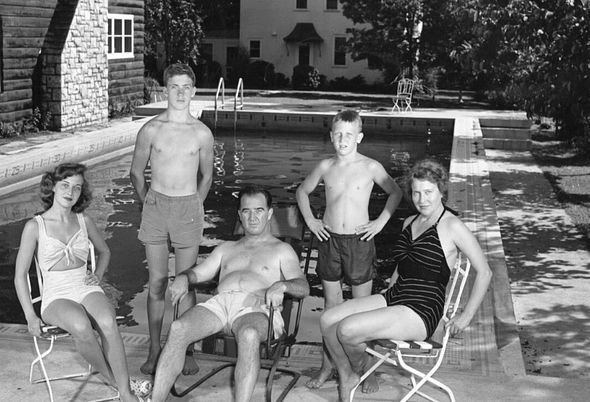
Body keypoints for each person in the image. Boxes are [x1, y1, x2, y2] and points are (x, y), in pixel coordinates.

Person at [319, 159, 493, 402]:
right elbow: (402, 267)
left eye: (428, 192)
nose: (422, 199)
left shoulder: (452, 226)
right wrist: (384, 301)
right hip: (396, 295)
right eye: (416, 192)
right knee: (328, 320)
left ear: (441, 191)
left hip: (422, 309)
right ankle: (347, 373)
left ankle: (357, 371)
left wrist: (465, 317)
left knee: (347, 330)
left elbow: (485, 272)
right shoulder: (409, 222)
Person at [148, 185, 310, 402]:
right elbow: (199, 273)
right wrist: (184, 277)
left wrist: (282, 286)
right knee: (178, 329)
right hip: (220, 305)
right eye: (246, 211)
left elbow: (303, 287)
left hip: (257, 307)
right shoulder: (226, 248)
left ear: (269, 213)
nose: (252, 217)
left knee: (249, 335)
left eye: (259, 210)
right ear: (239, 215)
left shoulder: (282, 250)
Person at [13, 163, 151, 402]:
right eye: (65, 185)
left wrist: (97, 275)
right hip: (56, 295)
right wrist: (30, 316)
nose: (70, 192)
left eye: (77, 187)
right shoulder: (35, 226)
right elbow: (20, 275)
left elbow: (104, 251)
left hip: (85, 286)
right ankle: (119, 384)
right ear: (52, 187)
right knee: (81, 325)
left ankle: (126, 395)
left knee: (108, 322)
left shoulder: (84, 220)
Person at [295, 109, 403, 392]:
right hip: (329, 239)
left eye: (349, 135)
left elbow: (395, 192)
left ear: (359, 137)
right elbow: (302, 192)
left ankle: (367, 368)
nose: (343, 140)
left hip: (359, 242)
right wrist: (311, 220)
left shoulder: (370, 166)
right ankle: (327, 366)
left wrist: (380, 222)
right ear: (331, 136)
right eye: (338, 134)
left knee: (362, 312)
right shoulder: (325, 166)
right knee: (331, 309)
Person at [130, 63, 214, 376]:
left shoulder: (202, 133)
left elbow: (207, 176)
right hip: (156, 205)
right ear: (165, 89)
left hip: (188, 207)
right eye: (174, 87)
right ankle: (154, 350)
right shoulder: (150, 129)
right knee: (156, 282)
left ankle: (185, 349)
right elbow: (136, 173)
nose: (180, 93)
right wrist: (147, 203)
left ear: (193, 91)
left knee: (186, 283)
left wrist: (195, 205)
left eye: (185, 87)